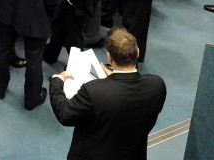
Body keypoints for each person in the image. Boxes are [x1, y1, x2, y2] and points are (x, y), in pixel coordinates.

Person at [48, 27, 167, 160]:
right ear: (138, 52)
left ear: (110, 57)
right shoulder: (157, 85)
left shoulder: (93, 91)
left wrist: (57, 80)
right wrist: (116, 77)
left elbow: (65, 114)